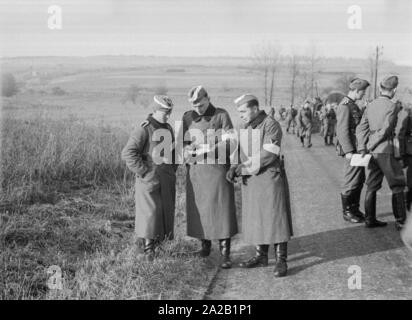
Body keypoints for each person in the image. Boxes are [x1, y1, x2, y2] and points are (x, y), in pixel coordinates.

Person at [227, 94, 293, 277]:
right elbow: (238, 149)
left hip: (269, 178)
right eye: (238, 112)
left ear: (255, 109)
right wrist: (234, 166)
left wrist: (242, 168)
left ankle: (281, 260)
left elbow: (269, 154)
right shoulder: (244, 126)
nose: (240, 115)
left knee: (276, 217)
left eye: (243, 111)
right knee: (257, 216)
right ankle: (261, 256)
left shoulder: (271, 124)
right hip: (252, 180)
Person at [181, 85, 238, 269]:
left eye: (201, 103)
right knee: (201, 209)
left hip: (217, 169)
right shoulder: (187, 117)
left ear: (208, 98)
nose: (198, 108)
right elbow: (181, 142)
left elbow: (232, 141)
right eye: (195, 105)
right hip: (197, 171)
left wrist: (212, 149)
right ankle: (204, 247)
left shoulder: (222, 115)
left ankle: (225, 254)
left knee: (222, 209)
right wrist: (186, 149)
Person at [121, 95, 177, 261]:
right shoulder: (144, 129)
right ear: (154, 110)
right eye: (164, 112)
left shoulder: (168, 128)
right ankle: (148, 249)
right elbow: (128, 153)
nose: (167, 115)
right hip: (149, 177)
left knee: (164, 211)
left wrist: (172, 169)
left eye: (169, 112)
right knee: (150, 213)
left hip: (166, 177)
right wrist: (144, 171)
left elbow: (171, 152)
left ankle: (160, 245)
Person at [356, 75, 406, 230]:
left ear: (380, 88)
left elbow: (361, 128)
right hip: (385, 149)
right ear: (395, 89)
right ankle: (400, 221)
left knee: (372, 184)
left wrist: (363, 147)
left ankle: (370, 219)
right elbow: (386, 129)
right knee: (397, 184)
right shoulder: (392, 106)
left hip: (372, 152)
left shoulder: (370, 105)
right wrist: (371, 144)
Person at [336, 78, 370, 224]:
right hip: (351, 149)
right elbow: (342, 130)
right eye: (363, 91)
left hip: (357, 148)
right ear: (356, 90)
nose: (363, 94)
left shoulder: (353, 105)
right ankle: (347, 211)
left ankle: (355, 208)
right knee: (350, 180)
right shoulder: (345, 106)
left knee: (359, 179)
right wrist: (348, 150)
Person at [396, 102, 412, 210]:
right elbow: (401, 136)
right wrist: (402, 155)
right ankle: (408, 202)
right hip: (410, 153)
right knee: (411, 180)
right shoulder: (408, 119)